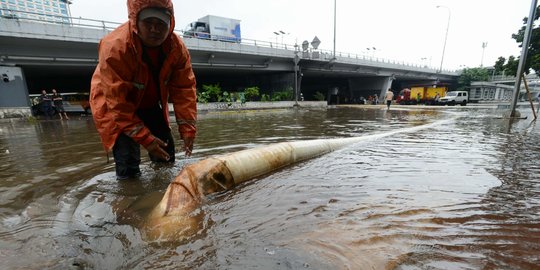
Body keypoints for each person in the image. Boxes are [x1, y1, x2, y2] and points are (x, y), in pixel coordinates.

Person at [90, 0, 197, 180]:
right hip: (115, 105)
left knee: (166, 153)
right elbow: (117, 103)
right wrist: (145, 139)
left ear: (170, 25)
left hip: (148, 102)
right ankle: (130, 201)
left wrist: (188, 129)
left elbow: (184, 88)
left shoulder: (177, 48)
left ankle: (162, 188)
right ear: (135, 21)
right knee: (128, 163)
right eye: (148, 23)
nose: (154, 29)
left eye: (161, 24)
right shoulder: (115, 47)